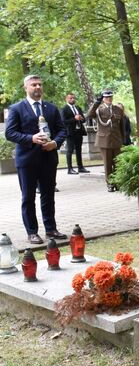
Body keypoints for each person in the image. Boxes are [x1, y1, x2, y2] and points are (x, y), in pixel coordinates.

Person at [4, 74, 68, 244]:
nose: (38, 87)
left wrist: (55, 143)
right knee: (28, 197)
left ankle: (51, 229)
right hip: (27, 160)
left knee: (48, 196)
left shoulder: (51, 108)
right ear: (26, 87)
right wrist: (30, 139)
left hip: (48, 159)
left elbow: (62, 130)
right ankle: (32, 232)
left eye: (40, 84)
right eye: (34, 85)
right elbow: (9, 133)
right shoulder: (17, 108)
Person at [86, 90, 125, 192]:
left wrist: (123, 139)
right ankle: (110, 184)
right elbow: (89, 114)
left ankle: (118, 182)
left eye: (110, 97)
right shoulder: (99, 109)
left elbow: (121, 126)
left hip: (116, 140)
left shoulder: (118, 109)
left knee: (117, 163)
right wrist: (97, 102)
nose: (109, 99)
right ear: (103, 99)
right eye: (107, 97)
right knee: (107, 164)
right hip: (104, 140)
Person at [61, 92, 89, 174]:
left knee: (79, 150)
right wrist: (74, 118)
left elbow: (84, 120)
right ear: (66, 99)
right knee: (69, 150)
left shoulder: (78, 108)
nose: (72, 99)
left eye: (73, 98)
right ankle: (70, 169)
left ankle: (80, 167)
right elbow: (63, 121)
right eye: (70, 98)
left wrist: (81, 118)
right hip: (70, 133)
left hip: (79, 132)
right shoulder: (64, 109)